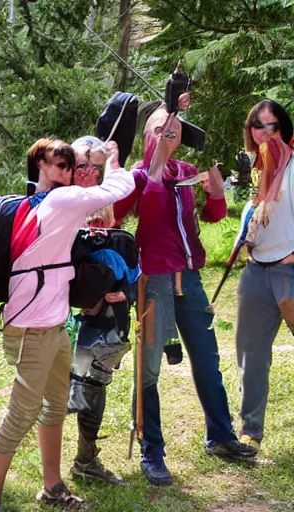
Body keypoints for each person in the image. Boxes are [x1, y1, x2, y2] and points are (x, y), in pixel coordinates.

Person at [0, 138, 135, 512]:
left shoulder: (38, 205)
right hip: (31, 329)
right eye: (58, 165)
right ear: (40, 167)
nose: (66, 172)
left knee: (55, 406)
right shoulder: (60, 202)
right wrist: (113, 157)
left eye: (69, 165)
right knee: (22, 414)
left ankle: (52, 486)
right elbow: (120, 187)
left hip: (54, 326)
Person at [113, 108, 258, 486]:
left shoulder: (184, 172)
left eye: (175, 131)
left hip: (189, 278)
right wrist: (153, 171)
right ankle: (152, 451)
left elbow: (209, 218)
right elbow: (120, 214)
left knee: (208, 360)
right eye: (161, 129)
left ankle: (221, 437)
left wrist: (216, 194)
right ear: (147, 135)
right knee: (149, 370)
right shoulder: (138, 177)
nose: (168, 135)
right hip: (154, 280)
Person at [67, 136, 137, 486]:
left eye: (96, 167)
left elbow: (135, 278)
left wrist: (124, 293)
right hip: (60, 320)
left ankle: (85, 458)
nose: (88, 173)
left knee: (93, 385)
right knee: (54, 392)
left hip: (103, 328)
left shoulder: (118, 235)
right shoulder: (57, 207)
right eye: (82, 165)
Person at [235, 100, 294, 451]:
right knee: (251, 356)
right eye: (259, 125)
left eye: (272, 125)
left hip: (290, 273)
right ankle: (250, 431)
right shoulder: (260, 173)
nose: (266, 131)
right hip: (256, 272)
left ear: (285, 130)